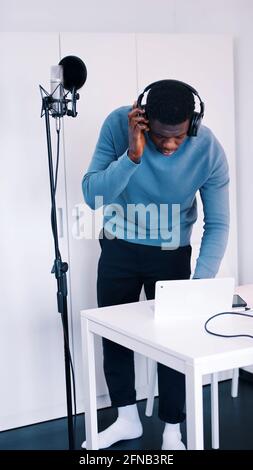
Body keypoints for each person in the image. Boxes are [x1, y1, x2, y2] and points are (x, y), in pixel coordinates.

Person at [81, 80, 229, 450]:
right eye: (161, 136)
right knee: (115, 336)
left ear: (192, 125)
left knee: (174, 341)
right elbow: (92, 196)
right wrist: (132, 156)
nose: (168, 145)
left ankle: (172, 431)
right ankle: (126, 419)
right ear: (143, 119)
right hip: (119, 246)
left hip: (171, 249)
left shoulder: (208, 149)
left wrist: (198, 285)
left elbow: (219, 223)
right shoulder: (119, 125)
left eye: (178, 137)